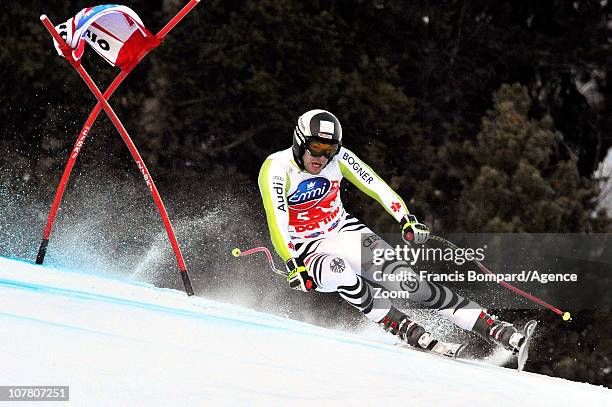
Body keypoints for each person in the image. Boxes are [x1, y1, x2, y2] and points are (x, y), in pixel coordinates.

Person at [258, 109, 525, 353]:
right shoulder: (277, 169)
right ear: (300, 140)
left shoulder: (337, 158)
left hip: (343, 231)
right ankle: (401, 325)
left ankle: (495, 328)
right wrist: (293, 264)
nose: (322, 157)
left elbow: (374, 183)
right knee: (342, 274)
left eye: (329, 149)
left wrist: (405, 218)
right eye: (316, 147)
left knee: (409, 283)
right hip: (307, 249)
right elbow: (277, 219)